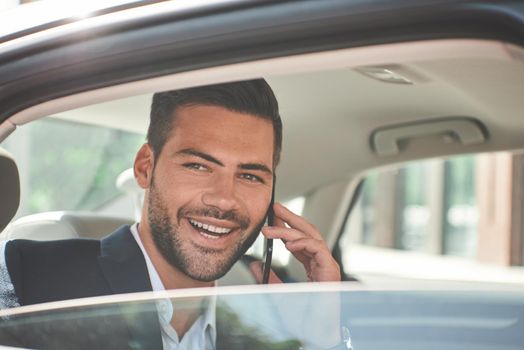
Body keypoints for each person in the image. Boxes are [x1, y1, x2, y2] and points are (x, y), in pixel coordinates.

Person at [0, 79, 342, 349]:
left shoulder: (265, 331)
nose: (224, 200)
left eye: (250, 176)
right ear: (145, 167)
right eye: (198, 165)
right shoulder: (28, 277)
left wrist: (322, 340)